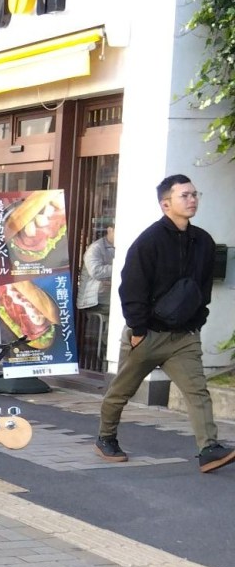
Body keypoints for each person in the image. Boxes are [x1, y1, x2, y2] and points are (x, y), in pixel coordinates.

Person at [95, 175, 235, 473]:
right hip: (147, 334)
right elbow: (131, 288)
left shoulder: (204, 241)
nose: (192, 199)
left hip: (183, 337)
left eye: (195, 194)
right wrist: (138, 330)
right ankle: (106, 437)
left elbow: (203, 286)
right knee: (122, 391)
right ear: (165, 203)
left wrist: (198, 320)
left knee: (197, 391)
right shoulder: (149, 241)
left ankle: (208, 448)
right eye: (185, 195)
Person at [78, 224, 116, 367]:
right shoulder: (96, 248)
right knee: (119, 314)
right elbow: (96, 271)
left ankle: (109, 349)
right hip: (94, 299)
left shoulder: (121, 246)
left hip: (109, 296)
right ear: (109, 230)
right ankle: (108, 352)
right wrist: (118, 266)